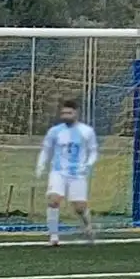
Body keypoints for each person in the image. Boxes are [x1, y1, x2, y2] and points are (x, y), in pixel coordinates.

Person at [35, 98, 99, 247]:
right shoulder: (55, 131)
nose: (66, 116)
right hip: (58, 172)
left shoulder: (86, 131)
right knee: (54, 200)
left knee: (79, 207)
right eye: (63, 113)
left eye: (69, 113)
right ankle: (53, 235)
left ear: (76, 113)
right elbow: (46, 150)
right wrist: (41, 165)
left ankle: (88, 226)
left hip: (78, 174)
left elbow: (93, 151)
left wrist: (88, 165)